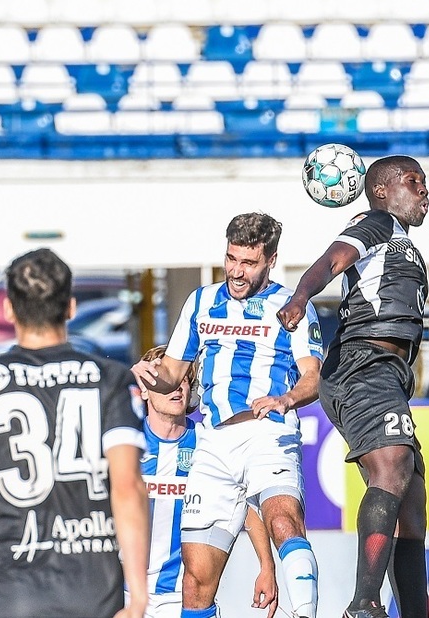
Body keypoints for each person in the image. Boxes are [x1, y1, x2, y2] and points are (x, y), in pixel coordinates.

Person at [0, 248, 150, 618]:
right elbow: (128, 487)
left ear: (8, 310)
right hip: (94, 591)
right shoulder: (110, 379)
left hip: (11, 595)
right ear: (70, 307)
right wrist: (139, 598)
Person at [131, 212, 323, 618]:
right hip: (214, 441)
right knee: (196, 576)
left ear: (270, 259)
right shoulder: (201, 302)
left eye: (248, 263)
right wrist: (148, 377)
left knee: (283, 521)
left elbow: (313, 378)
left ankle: (306, 613)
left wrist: (286, 399)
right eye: (231, 259)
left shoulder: (291, 307)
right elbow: (172, 375)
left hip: (267, 431)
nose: (236, 271)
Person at [277, 155, 429, 618]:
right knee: (393, 461)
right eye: (413, 182)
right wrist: (301, 297)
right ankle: (364, 603)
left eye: (425, 183)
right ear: (382, 189)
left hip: (389, 374)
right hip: (362, 364)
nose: (424, 191)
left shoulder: (402, 242)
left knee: (413, 502)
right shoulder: (376, 221)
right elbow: (332, 260)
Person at [134, 344, 279, 618]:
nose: (176, 389)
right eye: (165, 383)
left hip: (185, 596)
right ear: (144, 390)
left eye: (183, 381)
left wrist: (266, 566)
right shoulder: (127, 442)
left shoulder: (209, 441)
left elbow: (245, 504)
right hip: (126, 593)